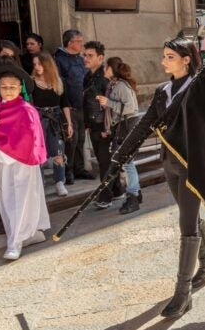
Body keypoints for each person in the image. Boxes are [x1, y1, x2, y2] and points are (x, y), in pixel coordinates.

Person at [112, 37, 205, 320]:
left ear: (186, 59)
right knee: (188, 215)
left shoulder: (200, 87)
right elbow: (145, 125)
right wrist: (119, 156)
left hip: (192, 165)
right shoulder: (162, 90)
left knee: (186, 225)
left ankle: (183, 293)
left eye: (170, 56)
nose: (164, 61)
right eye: (164, 56)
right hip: (169, 164)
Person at [0, 58, 49, 260]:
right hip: (2, 164)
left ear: (20, 87)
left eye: (12, 87)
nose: (8, 90)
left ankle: (15, 241)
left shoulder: (26, 110)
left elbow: (28, 138)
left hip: (21, 162)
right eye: (4, 87)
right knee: (7, 201)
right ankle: (26, 234)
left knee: (23, 199)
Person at [98, 57, 142, 214]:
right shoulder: (114, 85)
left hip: (128, 125)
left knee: (128, 162)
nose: (104, 70)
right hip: (123, 126)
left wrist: (107, 102)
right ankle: (137, 193)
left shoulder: (121, 86)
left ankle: (133, 196)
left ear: (112, 69)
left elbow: (129, 107)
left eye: (106, 67)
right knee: (127, 162)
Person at [83, 41, 122, 209]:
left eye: (90, 55)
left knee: (105, 164)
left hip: (104, 128)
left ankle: (105, 197)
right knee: (103, 161)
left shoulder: (105, 79)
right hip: (94, 126)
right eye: (85, 55)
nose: (86, 58)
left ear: (100, 58)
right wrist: (87, 123)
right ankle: (118, 190)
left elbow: (113, 105)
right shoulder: (87, 77)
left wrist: (108, 128)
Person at [31, 51, 73, 197]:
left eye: (40, 63)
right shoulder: (31, 82)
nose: (37, 66)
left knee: (59, 151)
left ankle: (59, 182)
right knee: (38, 153)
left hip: (55, 120)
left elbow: (65, 104)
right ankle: (40, 182)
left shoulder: (57, 81)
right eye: (35, 64)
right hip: (38, 120)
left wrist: (69, 123)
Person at [55, 29, 94, 184]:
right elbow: (59, 84)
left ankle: (79, 168)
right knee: (70, 139)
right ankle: (68, 170)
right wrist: (65, 104)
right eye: (78, 41)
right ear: (70, 43)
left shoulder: (81, 58)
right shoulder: (58, 59)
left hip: (82, 105)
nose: (81, 44)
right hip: (68, 106)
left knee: (81, 139)